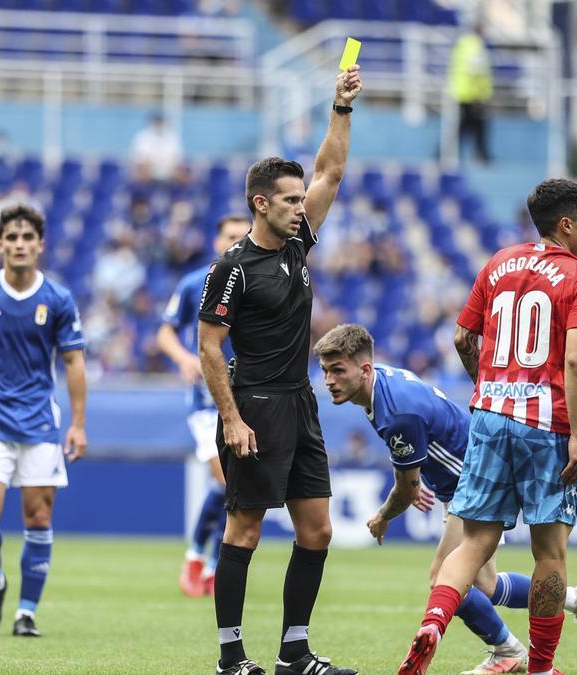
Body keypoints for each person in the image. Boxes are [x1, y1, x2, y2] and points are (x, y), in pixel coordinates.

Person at [315, 323, 577, 675]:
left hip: (471, 479)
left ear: (364, 370)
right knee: (484, 584)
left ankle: (508, 650)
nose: (329, 380)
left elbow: (406, 487)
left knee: (444, 576)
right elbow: (420, 450)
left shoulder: (395, 412)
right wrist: (415, 474)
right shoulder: (384, 385)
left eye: (337, 370)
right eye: (325, 371)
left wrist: (383, 515)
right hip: (465, 473)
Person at [398, 178, 577, 675]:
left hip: (489, 418)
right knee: (550, 554)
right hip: (547, 427)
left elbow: (462, 336)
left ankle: (432, 624)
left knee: (473, 544)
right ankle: (540, 668)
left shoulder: (498, 263)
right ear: (566, 225)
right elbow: (576, 360)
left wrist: (489, 387)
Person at [196, 65, 362, 675]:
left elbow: (331, 171)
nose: (302, 206)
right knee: (243, 531)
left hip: (300, 402)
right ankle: (230, 657)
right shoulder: (232, 268)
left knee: (316, 530)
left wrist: (340, 108)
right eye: (290, 200)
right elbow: (210, 349)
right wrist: (232, 420)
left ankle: (295, 651)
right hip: (255, 406)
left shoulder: (298, 244)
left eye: (301, 200)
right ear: (260, 204)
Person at [0, 204, 88, 638]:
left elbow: (74, 363)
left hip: (41, 424)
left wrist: (78, 423)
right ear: (0, 244)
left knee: (38, 518)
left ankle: (26, 612)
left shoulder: (58, 299)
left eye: (28, 237)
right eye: (12, 237)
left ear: (40, 245)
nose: (20, 244)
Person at [157, 214, 251, 597]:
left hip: (249, 397)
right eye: (230, 236)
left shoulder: (258, 281)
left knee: (238, 488)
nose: (236, 242)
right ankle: (198, 557)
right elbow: (164, 331)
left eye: (242, 236)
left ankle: (211, 565)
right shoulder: (195, 283)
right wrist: (182, 358)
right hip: (206, 400)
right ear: (216, 242)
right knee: (228, 481)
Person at [449, 20, 493, 164]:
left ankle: (450, 153)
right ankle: (481, 155)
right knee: (474, 126)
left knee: (466, 126)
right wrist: (479, 96)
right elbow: (476, 72)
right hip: (472, 96)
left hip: (463, 93)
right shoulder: (475, 46)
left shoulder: (463, 44)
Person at [130, 112, 183, 182]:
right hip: (148, 169)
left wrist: (167, 167)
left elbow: (176, 158)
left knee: (183, 176)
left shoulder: (171, 136)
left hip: (168, 170)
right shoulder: (143, 136)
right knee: (141, 172)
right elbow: (141, 159)